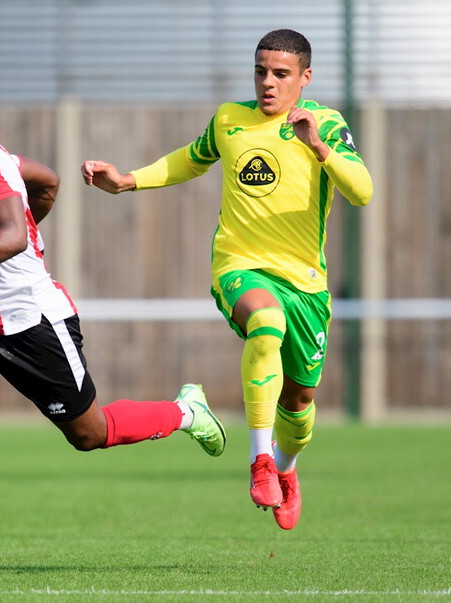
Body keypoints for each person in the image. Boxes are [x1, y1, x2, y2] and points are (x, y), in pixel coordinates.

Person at [0, 64, 227, 571]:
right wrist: (31, 220)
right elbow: (47, 181)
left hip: (32, 322)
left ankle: (186, 413)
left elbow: (12, 236)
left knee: (90, 434)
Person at [81, 29, 373, 530]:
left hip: (306, 283)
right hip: (238, 265)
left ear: (305, 77)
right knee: (266, 322)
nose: (268, 82)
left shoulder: (325, 123)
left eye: (280, 74)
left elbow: (362, 191)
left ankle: (285, 465)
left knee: (300, 403)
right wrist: (127, 180)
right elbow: (188, 159)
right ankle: (260, 461)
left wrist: (319, 147)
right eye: (261, 71)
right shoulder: (229, 119)